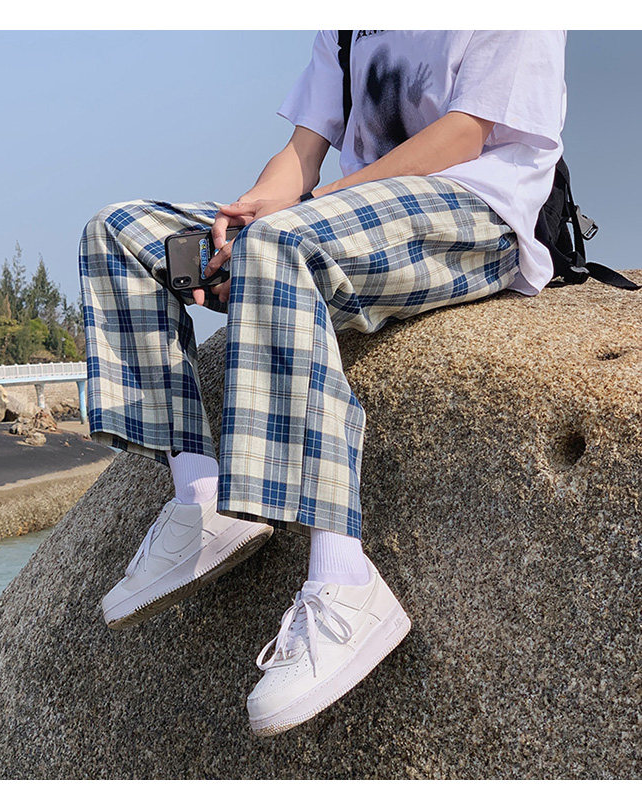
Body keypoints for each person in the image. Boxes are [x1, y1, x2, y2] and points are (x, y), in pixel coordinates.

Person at [79, 30, 567, 736]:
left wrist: (307, 210)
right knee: (119, 232)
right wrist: (249, 212)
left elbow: (465, 134)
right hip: (347, 224)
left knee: (281, 243)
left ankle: (345, 581)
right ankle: (204, 498)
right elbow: (304, 152)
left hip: (476, 215)